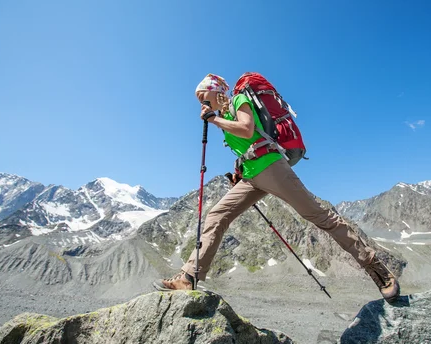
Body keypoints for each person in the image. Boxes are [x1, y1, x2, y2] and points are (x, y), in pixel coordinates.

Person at [154, 73, 400, 303]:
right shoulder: (225, 116)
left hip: (273, 168)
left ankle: (376, 268)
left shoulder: (239, 100)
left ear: (215, 91)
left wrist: (213, 119)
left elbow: (247, 128)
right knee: (217, 214)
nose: (201, 104)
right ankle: (188, 278)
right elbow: (248, 143)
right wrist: (239, 170)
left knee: (320, 216)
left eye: (202, 97)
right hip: (251, 177)